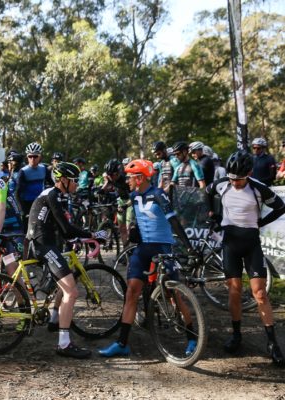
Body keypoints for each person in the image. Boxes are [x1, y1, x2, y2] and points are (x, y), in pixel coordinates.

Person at [99, 159, 198, 358]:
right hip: (144, 248)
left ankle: (192, 338)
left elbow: (174, 222)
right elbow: (132, 211)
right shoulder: (134, 196)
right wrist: (134, 230)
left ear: (140, 178)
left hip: (163, 248)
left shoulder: (159, 195)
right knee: (132, 292)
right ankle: (122, 343)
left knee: (174, 294)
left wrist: (189, 248)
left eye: (130, 177)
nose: (127, 180)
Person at [206, 150, 285, 366]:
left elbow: (281, 206)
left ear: (249, 173)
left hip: (251, 244)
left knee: (259, 293)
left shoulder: (258, 188)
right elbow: (206, 192)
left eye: (239, 179)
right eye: (232, 178)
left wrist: (262, 222)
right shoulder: (222, 184)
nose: (235, 183)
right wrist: (213, 216)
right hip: (230, 243)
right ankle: (237, 334)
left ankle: (272, 343)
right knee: (234, 291)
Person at [27, 162, 107, 358]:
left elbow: (58, 227)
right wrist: (93, 234)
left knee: (65, 279)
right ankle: (64, 344)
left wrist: (76, 238)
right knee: (71, 291)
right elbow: (66, 228)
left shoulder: (51, 194)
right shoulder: (52, 196)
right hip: (42, 246)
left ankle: (55, 320)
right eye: (74, 180)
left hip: (42, 243)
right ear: (63, 180)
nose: (76, 184)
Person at [15, 142, 53, 228]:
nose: (32, 159)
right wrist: (22, 210)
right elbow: (17, 193)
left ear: (40, 156)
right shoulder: (23, 171)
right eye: (30, 156)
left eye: (35, 156)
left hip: (41, 202)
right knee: (27, 230)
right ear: (27, 157)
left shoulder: (44, 169)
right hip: (27, 204)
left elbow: (52, 184)